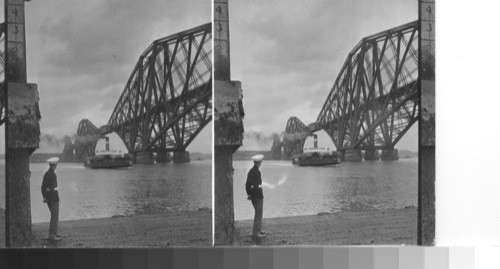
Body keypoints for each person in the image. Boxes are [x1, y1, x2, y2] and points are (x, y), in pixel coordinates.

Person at [41, 157, 62, 242]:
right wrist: (55, 199)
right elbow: (53, 188)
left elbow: (42, 187)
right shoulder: (53, 175)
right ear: (55, 165)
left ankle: (54, 233)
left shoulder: (46, 174)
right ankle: (52, 236)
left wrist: (45, 197)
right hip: (54, 198)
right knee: (54, 216)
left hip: (48, 198)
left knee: (53, 216)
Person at [245, 154, 265, 239]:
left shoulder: (250, 171)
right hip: (258, 196)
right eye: (261, 161)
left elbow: (247, 184)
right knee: (258, 214)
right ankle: (256, 233)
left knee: (258, 213)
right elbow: (258, 184)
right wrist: (256, 194)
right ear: (259, 162)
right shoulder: (257, 172)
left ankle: (258, 230)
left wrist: (249, 194)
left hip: (253, 196)